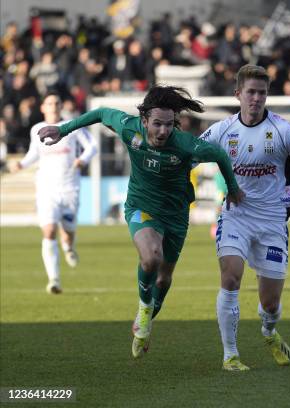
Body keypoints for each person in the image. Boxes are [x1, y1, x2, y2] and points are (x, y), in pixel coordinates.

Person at [37, 85, 244, 359]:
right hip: (141, 207)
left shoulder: (184, 143)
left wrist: (232, 187)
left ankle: (145, 321)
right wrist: (62, 130)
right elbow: (100, 113)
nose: (162, 131)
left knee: (164, 278)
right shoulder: (128, 128)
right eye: (157, 124)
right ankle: (145, 309)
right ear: (144, 120)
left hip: (176, 215)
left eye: (169, 125)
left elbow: (219, 155)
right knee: (150, 258)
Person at [199, 64, 290, 371]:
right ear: (238, 94)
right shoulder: (222, 130)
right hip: (236, 216)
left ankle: (268, 331)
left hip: (273, 222)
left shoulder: (284, 131)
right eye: (250, 92)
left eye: (262, 93)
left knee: (270, 303)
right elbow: (192, 153)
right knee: (230, 277)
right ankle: (230, 355)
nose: (256, 98)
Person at [9, 91, 98, 294]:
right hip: (46, 188)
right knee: (48, 231)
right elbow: (34, 153)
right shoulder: (37, 129)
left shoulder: (72, 126)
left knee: (67, 233)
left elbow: (92, 145)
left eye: (57, 103)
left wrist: (82, 160)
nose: (54, 106)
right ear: (43, 108)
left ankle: (69, 246)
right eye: (49, 103)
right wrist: (22, 164)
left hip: (69, 188)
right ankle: (54, 279)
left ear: (61, 107)